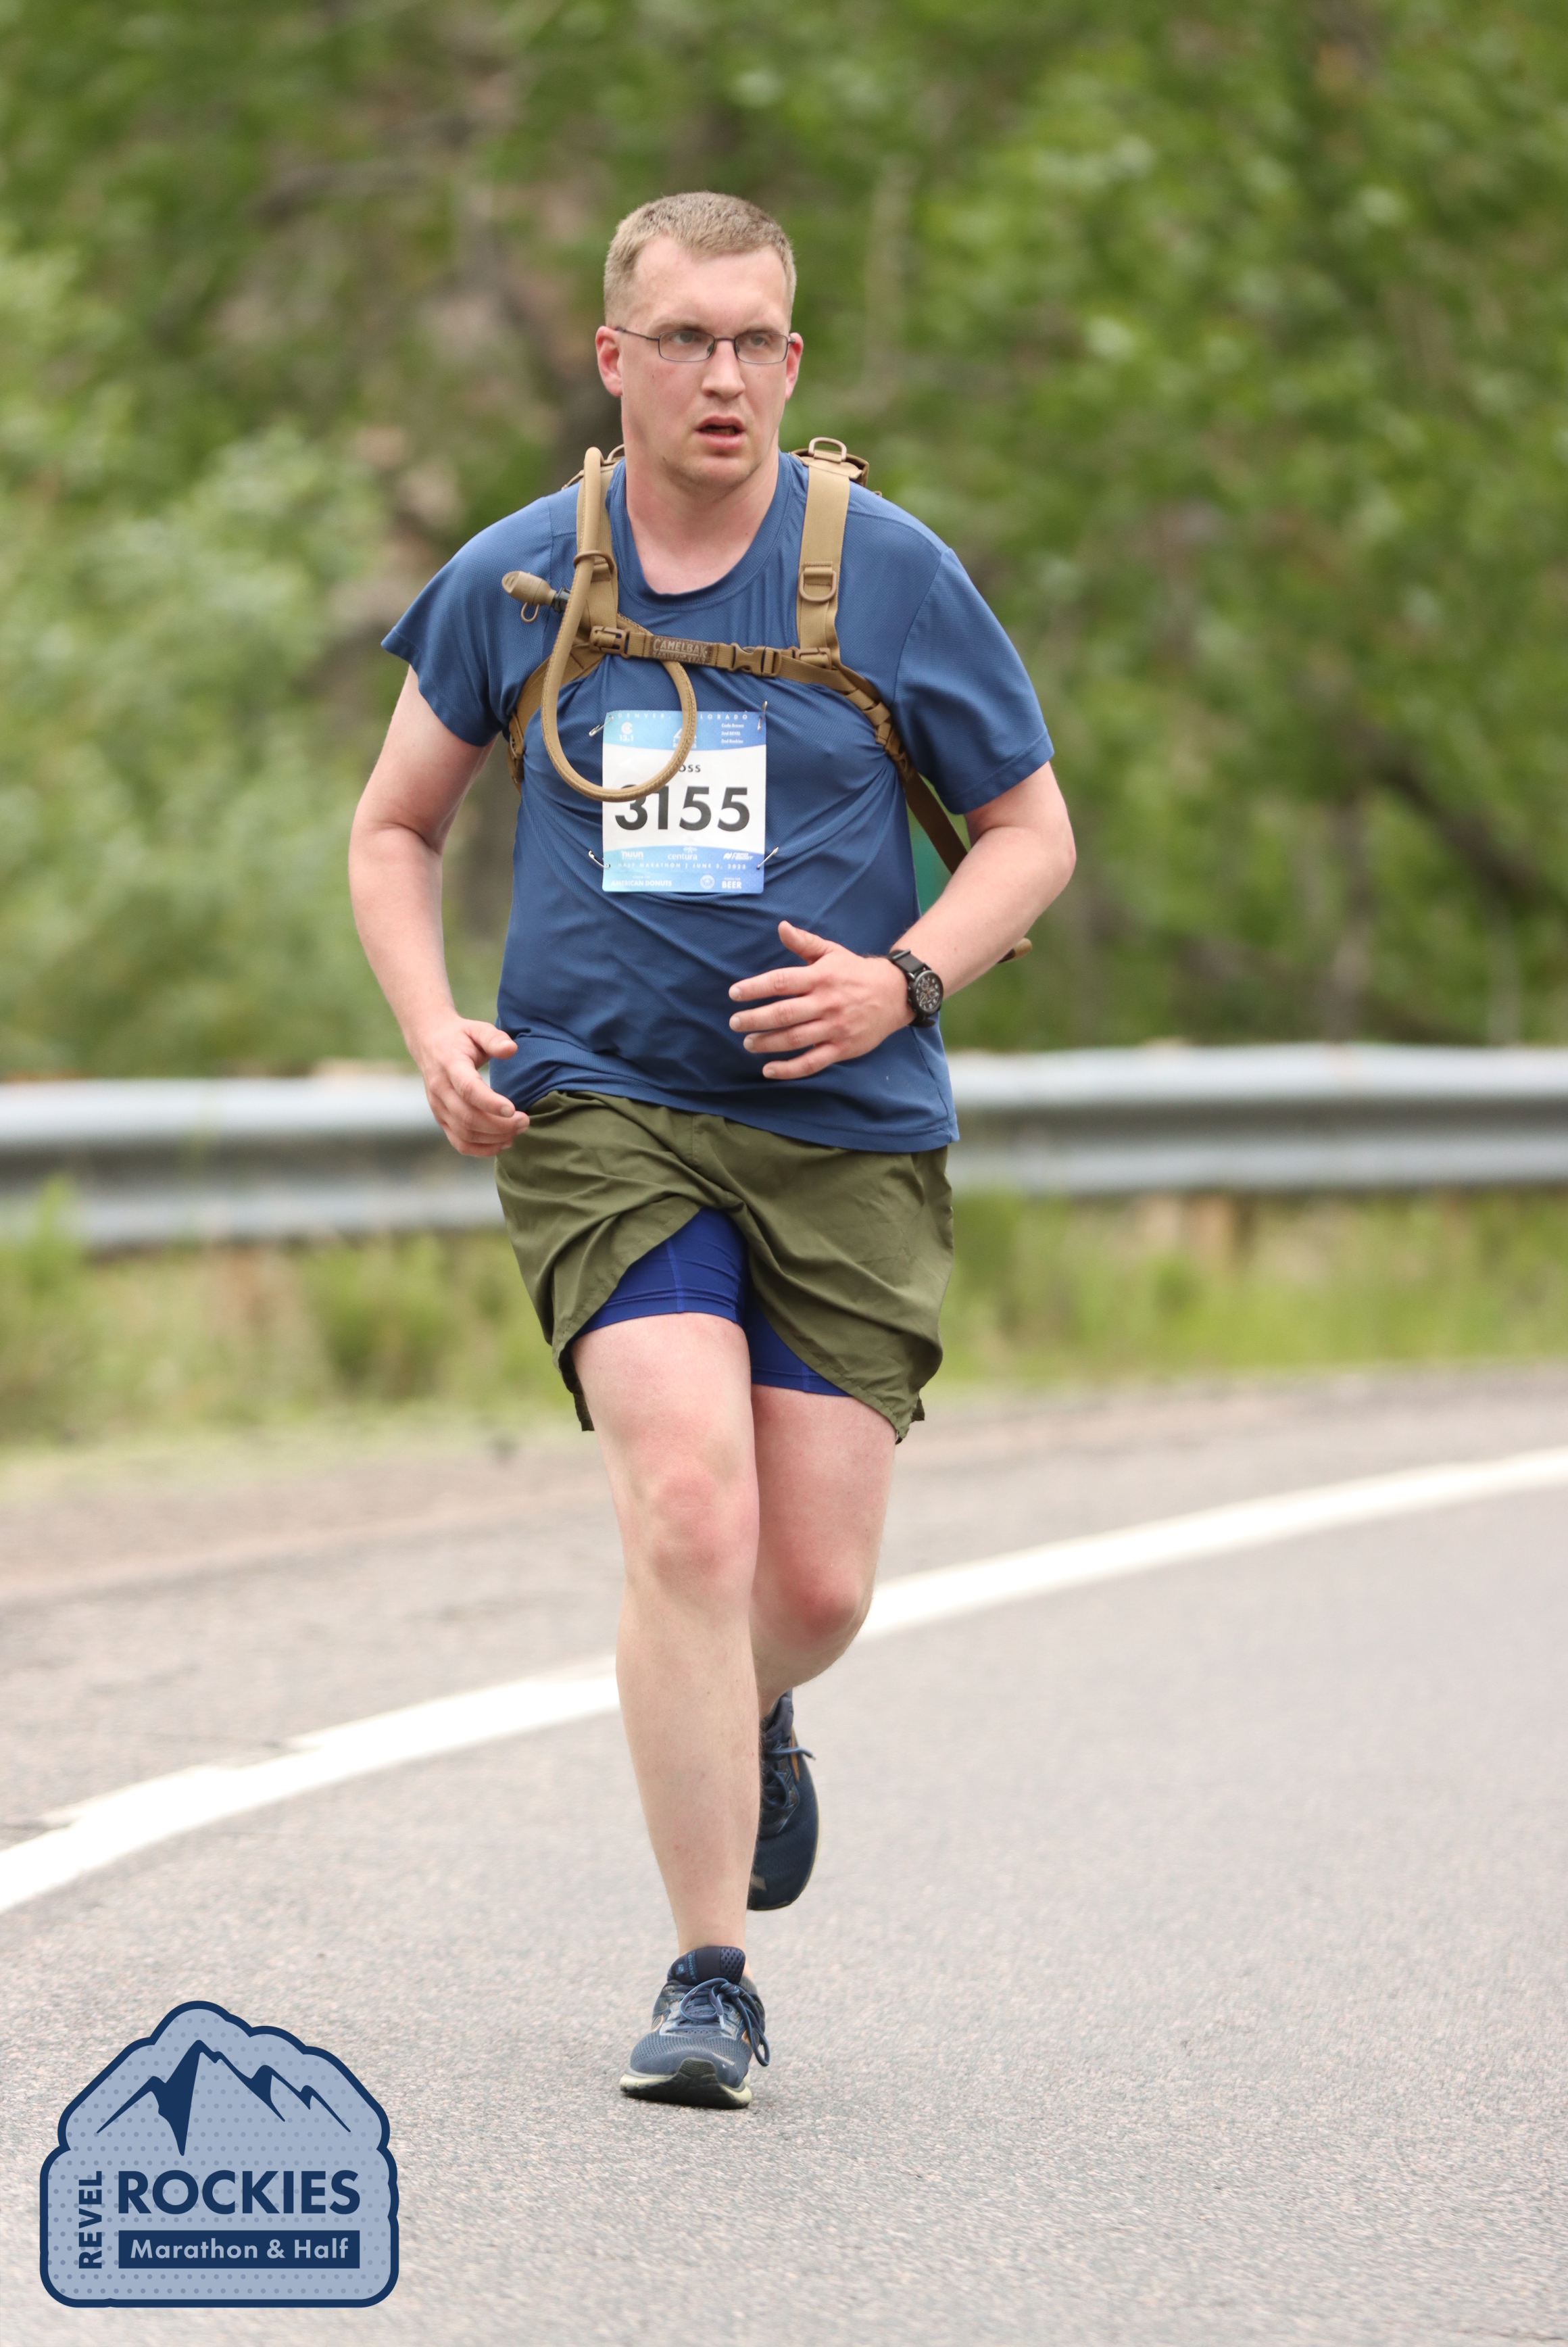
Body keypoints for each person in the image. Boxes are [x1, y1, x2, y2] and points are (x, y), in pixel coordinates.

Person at [349, 190, 1075, 2108]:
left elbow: (1033, 836)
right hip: (606, 1110)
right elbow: (394, 828)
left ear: (794, 358)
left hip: (844, 1131)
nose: (724, 376)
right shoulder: (522, 581)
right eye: (685, 339)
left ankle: (748, 1706)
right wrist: (432, 1025)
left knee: (812, 1589)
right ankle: (709, 1974)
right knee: (689, 1507)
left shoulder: (889, 574)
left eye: (756, 340)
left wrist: (903, 982)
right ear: (617, 359)